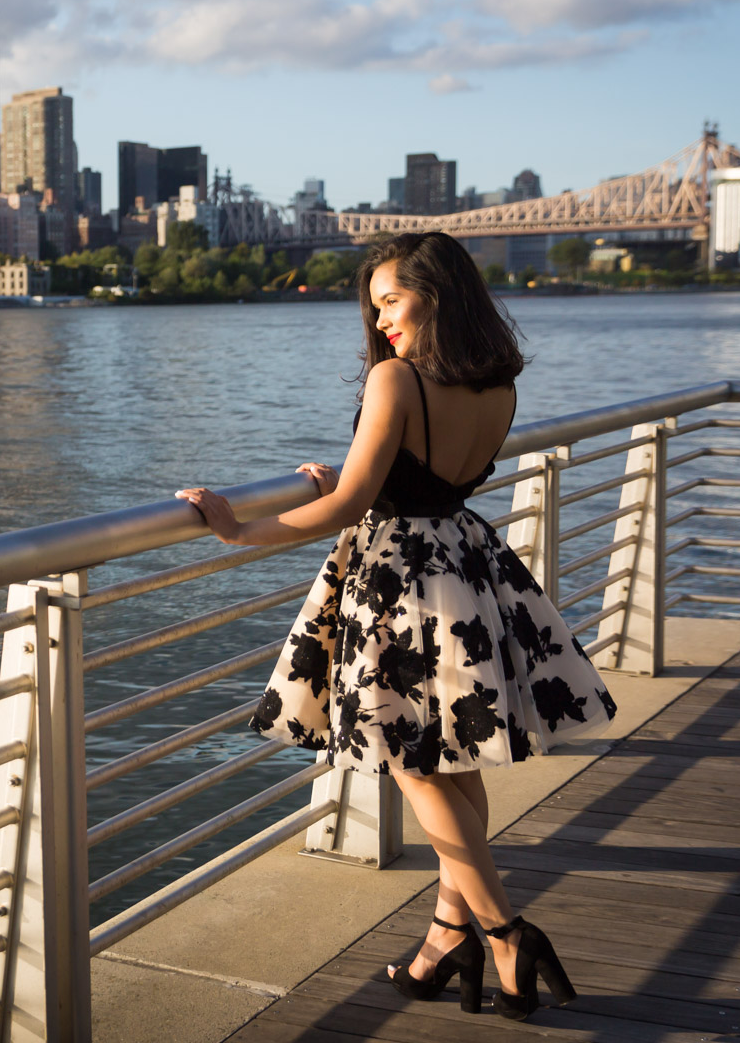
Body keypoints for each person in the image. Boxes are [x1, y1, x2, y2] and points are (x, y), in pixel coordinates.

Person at [177, 231, 617, 1022]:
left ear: (437, 296)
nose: (380, 321)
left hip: (398, 584)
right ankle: (449, 935)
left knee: (415, 764)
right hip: (468, 569)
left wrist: (239, 528)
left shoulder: (396, 380)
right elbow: (413, 478)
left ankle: (506, 934)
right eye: (375, 306)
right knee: (451, 756)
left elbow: (351, 506)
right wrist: (348, 475)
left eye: (392, 301)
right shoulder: (498, 386)